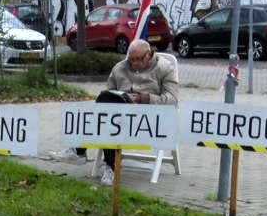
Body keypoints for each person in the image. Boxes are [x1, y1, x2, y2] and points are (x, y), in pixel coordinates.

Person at [50, 39, 180, 186]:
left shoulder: (165, 68)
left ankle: (84, 154)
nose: (135, 63)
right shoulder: (120, 68)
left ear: (149, 54)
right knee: (106, 104)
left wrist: (144, 98)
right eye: (132, 59)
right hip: (119, 118)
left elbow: (172, 100)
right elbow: (108, 94)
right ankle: (108, 166)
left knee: (107, 114)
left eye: (139, 59)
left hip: (149, 119)